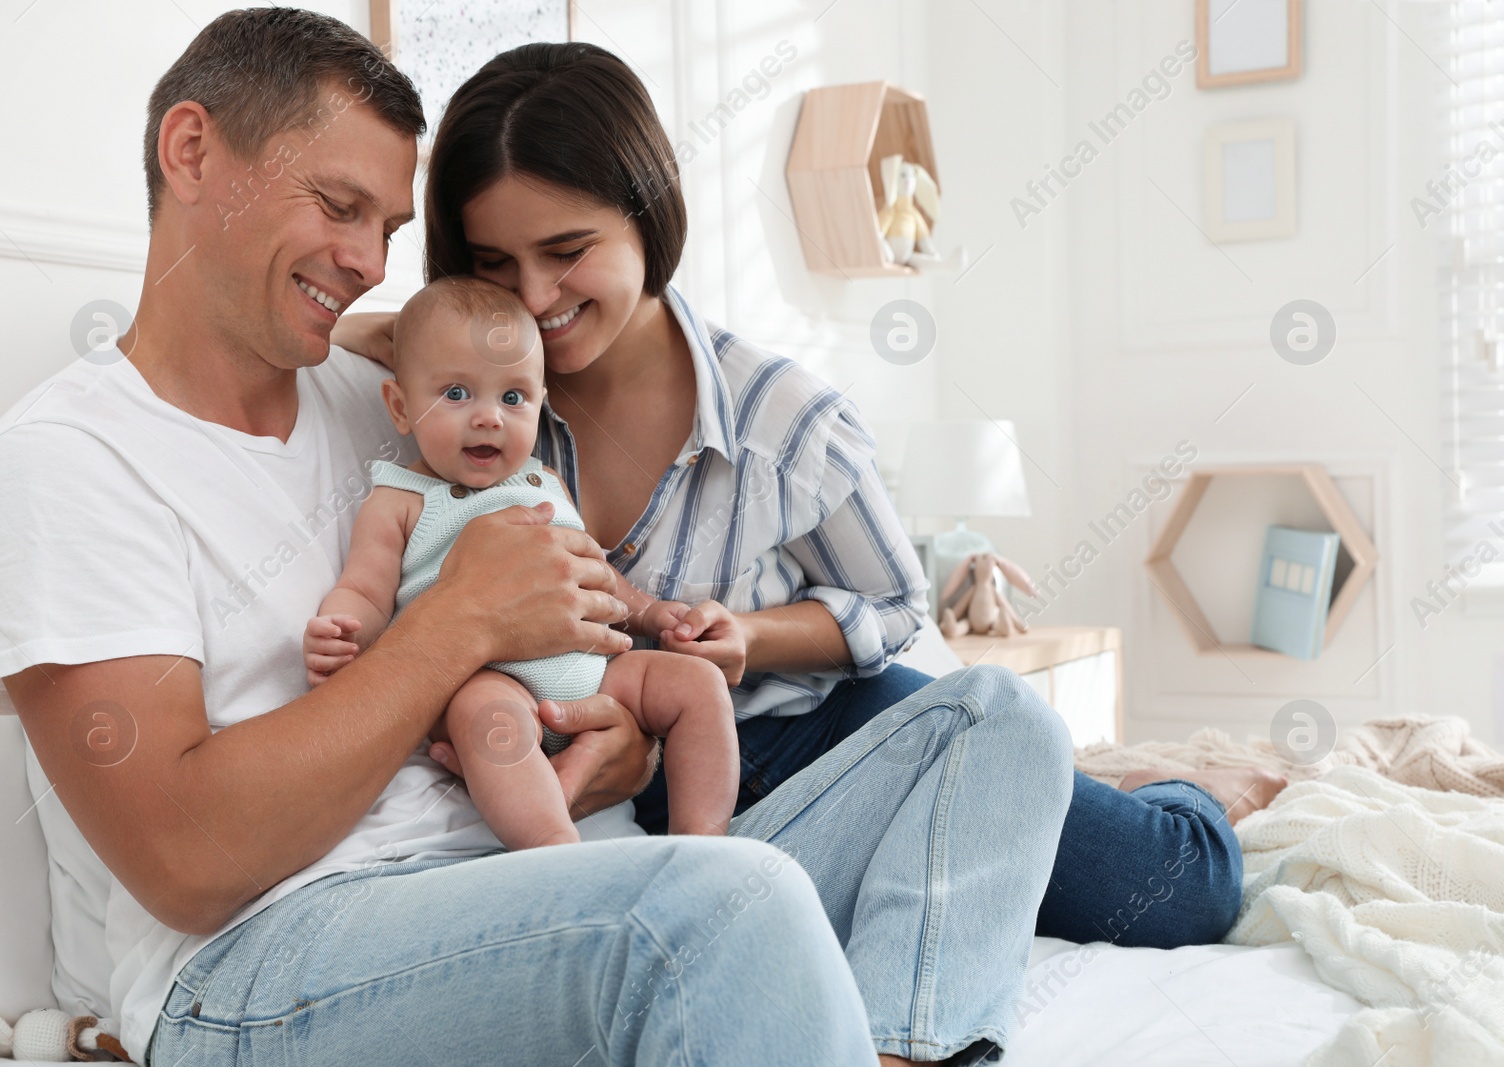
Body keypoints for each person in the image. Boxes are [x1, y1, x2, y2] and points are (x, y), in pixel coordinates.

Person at [0, 10, 1073, 1065]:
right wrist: (457, 624)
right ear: (190, 150)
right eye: (336, 205)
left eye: (388, 229)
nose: (364, 257)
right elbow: (185, 861)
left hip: (547, 873)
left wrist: (618, 729)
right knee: (727, 899)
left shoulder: (387, 394)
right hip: (264, 959)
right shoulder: (68, 461)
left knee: (998, 720)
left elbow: (486, 389)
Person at [334, 38, 1287, 957]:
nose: (534, 296)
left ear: (647, 215)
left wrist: (751, 637)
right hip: (641, 776)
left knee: (1179, 891)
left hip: (809, 725)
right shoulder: (471, 389)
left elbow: (896, 604)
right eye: (494, 264)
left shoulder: (781, 419)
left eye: (567, 250)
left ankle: (1187, 788)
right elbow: (359, 348)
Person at [305, 275, 739, 845]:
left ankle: (702, 844)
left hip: (598, 675)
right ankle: (553, 851)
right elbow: (364, 588)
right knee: (485, 718)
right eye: (456, 394)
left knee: (701, 685)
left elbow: (591, 569)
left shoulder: (544, 480)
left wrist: (652, 613)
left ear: (539, 405)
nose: (489, 417)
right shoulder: (401, 501)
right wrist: (345, 631)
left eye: (513, 398)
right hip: (490, 681)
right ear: (401, 407)